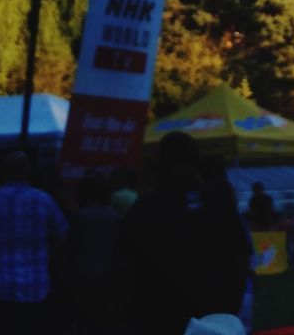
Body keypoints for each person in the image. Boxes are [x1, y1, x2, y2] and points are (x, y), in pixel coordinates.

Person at [120, 132, 251, 335]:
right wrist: (231, 307)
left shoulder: (145, 209)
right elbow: (241, 256)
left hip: (159, 318)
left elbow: (125, 267)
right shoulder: (217, 203)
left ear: (160, 164)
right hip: (212, 319)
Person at [0, 148, 68, 334]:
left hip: (0, 286)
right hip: (37, 286)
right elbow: (62, 234)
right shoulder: (44, 200)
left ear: (2, 172)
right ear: (27, 171)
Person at [67, 174, 121, 335]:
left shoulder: (80, 216)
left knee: (86, 323)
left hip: (84, 277)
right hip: (109, 278)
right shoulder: (116, 217)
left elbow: (72, 248)